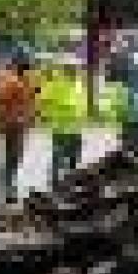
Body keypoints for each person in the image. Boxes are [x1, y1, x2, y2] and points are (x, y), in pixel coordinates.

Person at [0, 52, 37, 204]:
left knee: (16, 156)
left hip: (20, 124)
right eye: (26, 65)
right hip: (12, 124)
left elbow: (30, 99)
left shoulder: (24, 80)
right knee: (12, 157)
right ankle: (8, 190)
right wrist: (8, 117)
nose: (28, 68)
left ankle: (10, 187)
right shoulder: (11, 81)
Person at [37, 55, 89, 187]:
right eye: (71, 68)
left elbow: (82, 103)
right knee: (58, 156)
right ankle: (54, 182)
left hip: (76, 128)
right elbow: (43, 101)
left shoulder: (79, 84)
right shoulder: (55, 84)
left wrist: (82, 116)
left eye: (76, 68)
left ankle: (70, 181)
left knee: (74, 157)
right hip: (60, 128)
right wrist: (47, 115)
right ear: (65, 69)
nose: (75, 70)